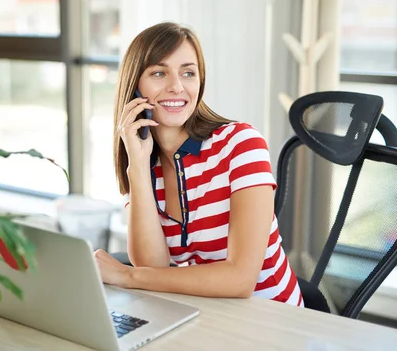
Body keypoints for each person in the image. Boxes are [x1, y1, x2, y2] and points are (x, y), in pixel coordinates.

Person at [94, 22, 303, 307]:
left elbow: (240, 280)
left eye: (188, 73)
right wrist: (139, 168)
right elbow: (152, 264)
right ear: (134, 87)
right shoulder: (143, 162)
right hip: (204, 314)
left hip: (272, 319)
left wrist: (125, 276)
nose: (177, 86)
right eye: (158, 73)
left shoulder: (241, 144)